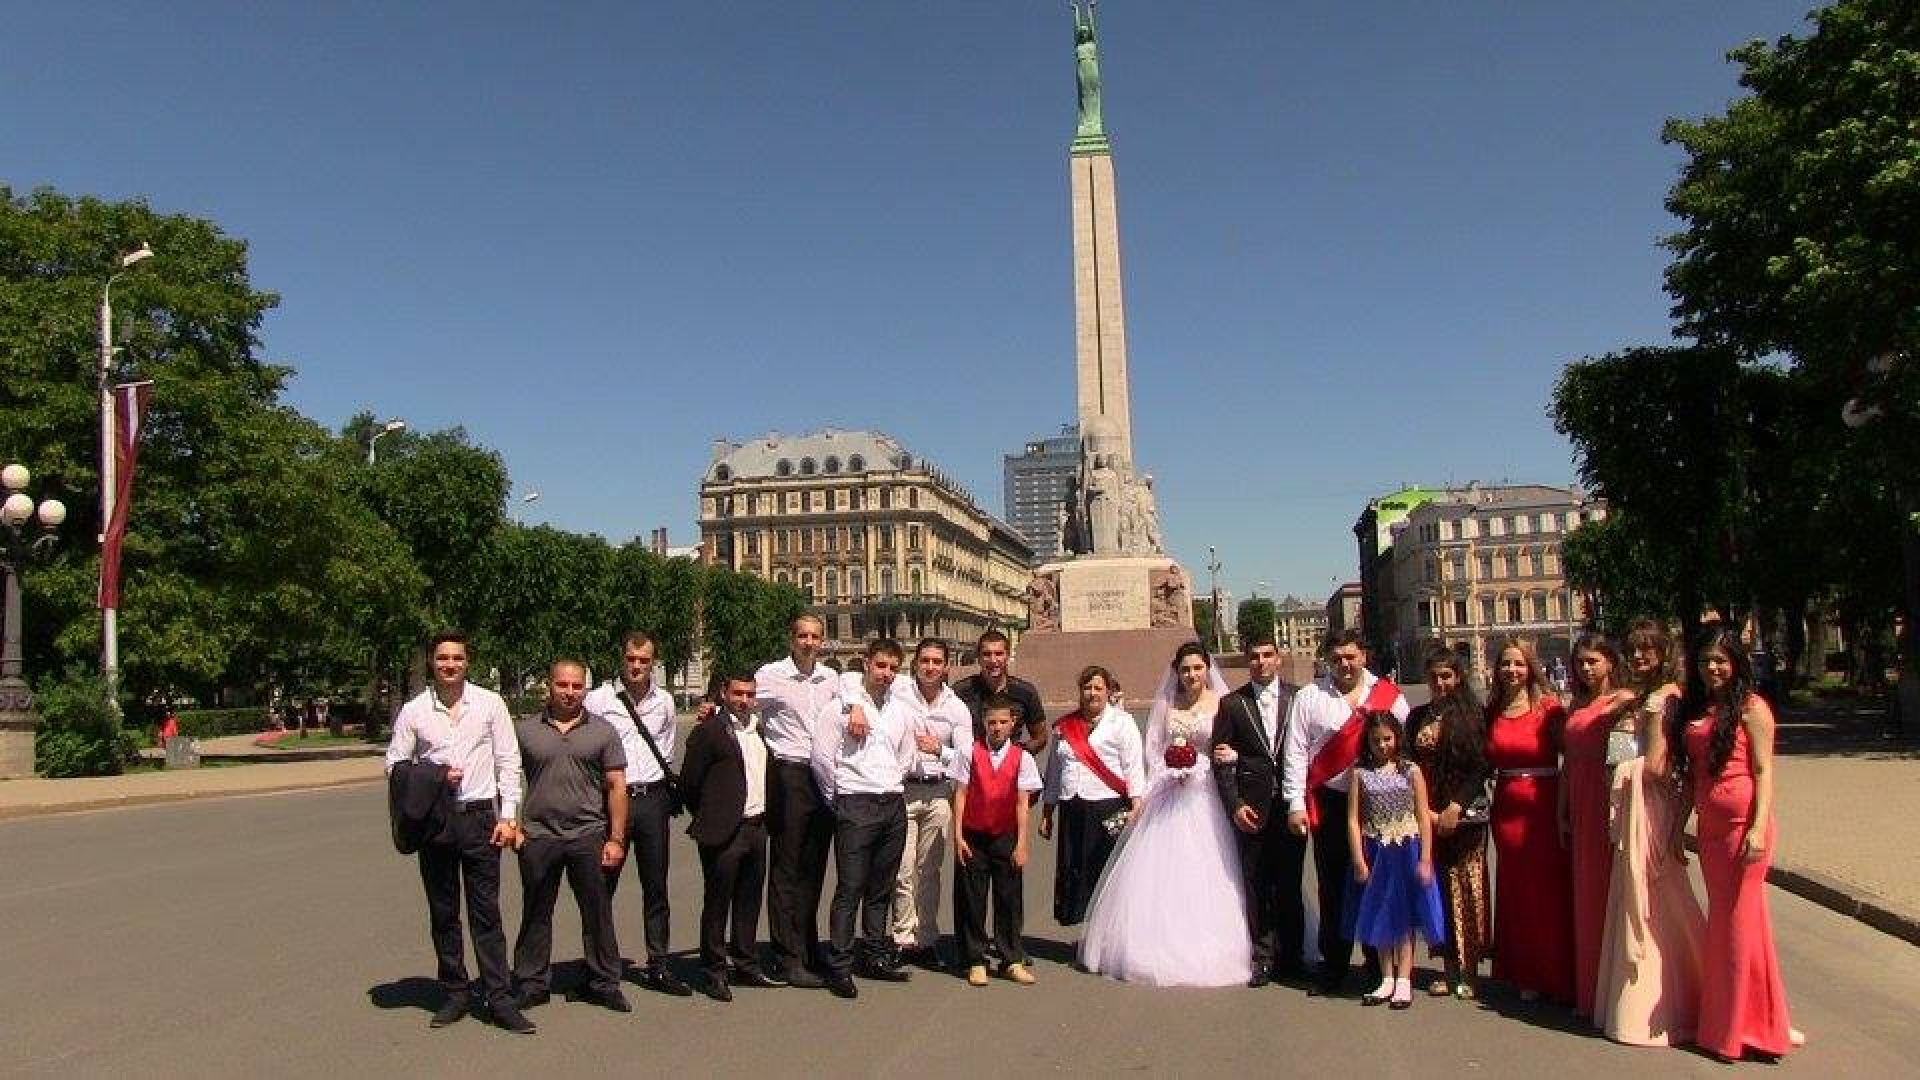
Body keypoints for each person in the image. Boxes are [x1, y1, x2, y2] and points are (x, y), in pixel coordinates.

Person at [382, 632, 533, 1034]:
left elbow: (508, 761)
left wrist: (510, 817)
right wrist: (433, 776)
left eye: (457, 658)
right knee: (444, 912)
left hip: (481, 819)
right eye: (443, 658)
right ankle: (455, 992)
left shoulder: (489, 704)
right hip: (437, 822)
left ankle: (499, 998)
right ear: (432, 662)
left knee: (487, 913)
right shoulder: (415, 711)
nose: (450, 664)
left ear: (468, 662)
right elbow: (394, 765)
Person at [1079, 642, 1251, 987]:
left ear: (1207, 669)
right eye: (1185, 669)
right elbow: (1153, 749)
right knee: (1163, 868)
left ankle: (1215, 940)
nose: (1191, 675)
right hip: (1171, 791)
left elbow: (1237, 744)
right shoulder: (1166, 704)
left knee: (1212, 867)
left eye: (1197, 668)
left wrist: (1225, 755)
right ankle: (1154, 940)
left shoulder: (1223, 703)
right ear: (1177, 671)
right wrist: (1169, 771)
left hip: (1208, 792)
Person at [1671, 627, 1795, 1062]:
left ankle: (1735, 1029)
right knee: (1735, 925)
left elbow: (1763, 771)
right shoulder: (1702, 708)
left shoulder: (1752, 707)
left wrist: (1759, 828)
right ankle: (1757, 1024)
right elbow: (1691, 779)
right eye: (1706, 660)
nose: (1713, 667)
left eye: (1721, 660)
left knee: (1737, 927)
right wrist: (1675, 830)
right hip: (1710, 832)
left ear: (1736, 662)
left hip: (1745, 828)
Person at [1594, 617, 1705, 1047]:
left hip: (1650, 805)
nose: (1639, 656)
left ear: (1663, 654)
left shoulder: (1663, 699)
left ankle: (1678, 994)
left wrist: (1619, 760)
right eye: (1634, 648)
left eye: (1648, 649)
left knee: (1651, 894)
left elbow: (1658, 766)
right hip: (1636, 803)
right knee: (1639, 894)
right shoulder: (1641, 696)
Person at [1280, 629, 1408, 996]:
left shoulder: (1389, 697)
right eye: (1336, 658)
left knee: (1375, 882)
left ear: (1364, 656)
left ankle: (1376, 964)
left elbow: (1404, 748)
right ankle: (1333, 964)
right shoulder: (1310, 697)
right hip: (1331, 803)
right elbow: (1296, 753)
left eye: (1350, 657)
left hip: (1380, 804)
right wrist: (1295, 803)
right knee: (1332, 884)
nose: (1344, 664)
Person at [509, 660, 631, 1016]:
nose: (569, 692)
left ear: (585, 689)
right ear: (549, 686)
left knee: (597, 913)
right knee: (536, 913)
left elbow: (616, 787)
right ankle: (531, 984)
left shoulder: (603, 731)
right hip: (538, 837)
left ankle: (604, 982)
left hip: (588, 835)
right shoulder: (526, 730)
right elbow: (505, 779)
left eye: (577, 686)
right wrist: (513, 828)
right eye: (562, 685)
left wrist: (616, 838)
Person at [583, 632, 691, 997]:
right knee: (602, 885)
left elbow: (665, 745)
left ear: (653, 662)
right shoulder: (599, 700)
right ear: (622, 658)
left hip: (652, 799)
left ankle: (658, 964)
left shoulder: (664, 701)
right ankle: (598, 968)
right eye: (631, 659)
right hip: (613, 799)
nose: (636, 666)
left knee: (656, 885)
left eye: (644, 660)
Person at [812, 638, 916, 998]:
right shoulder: (839, 710)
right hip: (855, 804)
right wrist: (840, 798)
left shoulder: (900, 711)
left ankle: (874, 955)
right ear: (867, 665)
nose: (886, 674)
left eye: (892, 668)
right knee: (850, 887)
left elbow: (906, 755)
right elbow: (822, 760)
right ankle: (839, 964)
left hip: (891, 804)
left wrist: (889, 784)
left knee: (881, 887)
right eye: (880, 666)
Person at [756, 613, 848, 988]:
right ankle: (786, 956)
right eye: (802, 636)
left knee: (814, 867)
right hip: (789, 772)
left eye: (815, 637)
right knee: (786, 868)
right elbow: (740, 702)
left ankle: (808, 948)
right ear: (791, 639)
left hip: (822, 775)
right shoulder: (771, 675)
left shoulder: (831, 678)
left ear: (822, 641)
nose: (809, 642)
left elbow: (850, 705)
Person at [1209, 635, 1305, 986]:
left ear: (1279, 658)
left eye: (1268, 655)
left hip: (1292, 806)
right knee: (1257, 883)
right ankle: (1263, 956)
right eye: (1254, 656)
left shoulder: (1299, 698)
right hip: (1252, 808)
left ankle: (1293, 956)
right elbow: (1219, 760)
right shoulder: (1233, 703)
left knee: (1290, 883)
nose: (1261, 662)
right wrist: (1234, 805)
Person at [681, 670, 782, 1003]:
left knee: (749, 899)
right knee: (717, 902)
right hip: (724, 830)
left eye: (750, 694)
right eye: (738, 693)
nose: (744, 700)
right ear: (724, 693)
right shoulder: (709, 732)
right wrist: (712, 815)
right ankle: (713, 970)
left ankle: (746, 962)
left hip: (757, 827)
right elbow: (690, 783)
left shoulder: (762, 729)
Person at [1485, 638, 1574, 1004]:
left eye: (1519, 664)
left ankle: (1553, 972)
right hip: (1505, 809)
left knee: (1546, 892)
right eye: (1506, 664)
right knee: (1515, 891)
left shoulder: (1549, 709)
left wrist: (1566, 808)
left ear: (1531, 668)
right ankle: (1521, 971)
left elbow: (1571, 758)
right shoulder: (1493, 710)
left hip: (1543, 806)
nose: (1512, 671)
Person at [1344, 711, 1446, 1010]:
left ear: (1397, 738)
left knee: (1405, 914)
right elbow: (1353, 820)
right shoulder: (1360, 773)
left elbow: (1424, 816)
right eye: (1376, 741)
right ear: (1368, 742)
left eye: (1387, 739)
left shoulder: (1410, 770)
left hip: (1407, 848)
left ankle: (1405, 978)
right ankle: (1386, 976)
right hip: (1376, 850)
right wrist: (1359, 860)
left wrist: (1426, 857)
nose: (1382, 746)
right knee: (1380, 911)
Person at [1561, 633, 1639, 1020]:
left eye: (1593, 660)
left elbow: (1624, 763)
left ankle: (1613, 993)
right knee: (1584, 895)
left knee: (1608, 894)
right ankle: (1588, 989)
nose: (1586, 668)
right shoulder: (1577, 703)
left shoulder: (1622, 702)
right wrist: (1562, 809)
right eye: (1581, 662)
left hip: (1604, 800)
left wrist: (1618, 809)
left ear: (1610, 661)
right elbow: (1567, 761)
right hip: (1577, 797)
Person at [1406, 645, 1491, 999]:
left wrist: (1455, 807)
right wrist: (1423, 809)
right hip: (1427, 814)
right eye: (1434, 677)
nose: (1440, 683)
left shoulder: (1473, 715)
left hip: (1465, 816)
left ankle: (1470, 969)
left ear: (1459, 678)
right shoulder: (1417, 716)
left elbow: (1481, 765)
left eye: (1447, 676)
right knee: (1436, 891)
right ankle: (1447, 965)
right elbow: (1408, 766)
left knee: (1466, 890)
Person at [1039, 665, 1144, 927]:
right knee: (1075, 871)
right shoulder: (1065, 726)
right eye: (1087, 687)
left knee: (1103, 870)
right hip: (1072, 805)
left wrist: (1137, 803)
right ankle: (1085, 931)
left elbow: (1133, 765)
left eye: (1098, 687)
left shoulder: (1122, 722)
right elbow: (1054, 769)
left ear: (1108, 691)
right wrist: (1047, 811)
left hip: (1107, 805)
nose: (1092, 693)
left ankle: (1107, 933)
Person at [890, 637, 972, 967]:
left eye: (937, 662)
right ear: (916, 663)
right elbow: (856, 683)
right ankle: (902, 938)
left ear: (946, 666)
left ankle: (926, 939)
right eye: (925, 660)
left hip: (939, 793)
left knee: (930, 870)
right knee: (902, 868)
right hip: (903, 791)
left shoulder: (956, 707)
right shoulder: (898, 694)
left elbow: (967, 759)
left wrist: (941, 750)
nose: (930, 667)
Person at [952, 694, 1042, 987]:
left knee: (1009, 898)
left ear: (1013, 723)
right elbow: (961, 794)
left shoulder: (1022, 757)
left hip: (1005, 835)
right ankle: (975, 959)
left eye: (1003, 722)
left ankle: (1011, 958)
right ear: (983, 723)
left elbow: (1022, 803)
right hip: (974, 835)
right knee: (972, 899)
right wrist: (958, 836)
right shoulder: (969, 752)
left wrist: (1022, 844)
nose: (997, 728)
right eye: (992, 722)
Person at [953, 629, 1048, 755]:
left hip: (1009, 769)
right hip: (973, 765)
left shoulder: (1025, 692)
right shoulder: (961, 691)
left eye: (998, 654)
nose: (993, 660)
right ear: (979, 658)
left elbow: (1040, 736)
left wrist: (1018, 756)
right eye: (987, 654)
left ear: (1007, 656)